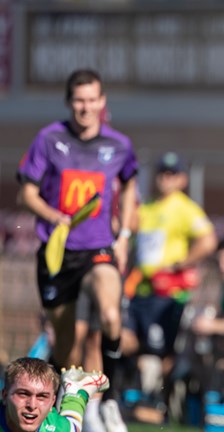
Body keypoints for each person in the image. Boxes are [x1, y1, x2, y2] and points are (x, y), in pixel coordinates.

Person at [17, 69, 137, 432]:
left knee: (111, 314)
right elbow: (27, 192)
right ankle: (63, 413)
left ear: (103, 103)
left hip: (99, 249)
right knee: (67, 350)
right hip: (58, 255)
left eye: (93, 100)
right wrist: (54, 215)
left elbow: (130, 185)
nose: (86, 107)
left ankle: (111, 400)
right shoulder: (49, 139)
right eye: (79, 100)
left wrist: (125, 234)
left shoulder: (118, 145)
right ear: (70, 103)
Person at [121, 151, 218, 421]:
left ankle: (159, 403)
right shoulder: (147, 207)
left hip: (166, 294)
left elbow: (208, 240)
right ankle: (135, 396)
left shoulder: (184, 208)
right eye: (162, 172)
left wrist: (179, 264)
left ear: (183, 179)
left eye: (172, 174)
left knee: (160, 352)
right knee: (127, 341)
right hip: (139, 290)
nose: (166, 178)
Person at [1, 357, 109, 432]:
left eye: (42, 396)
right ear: (5, 396)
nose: (32, 405)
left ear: (52, 402)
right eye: (23, 394)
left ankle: (75, 389)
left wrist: (82, 394)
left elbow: (73, 428)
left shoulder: (57, 428)